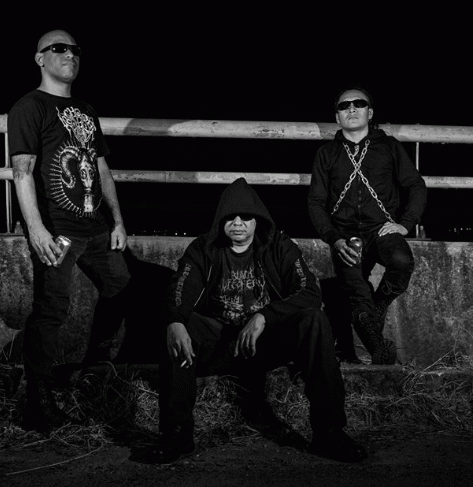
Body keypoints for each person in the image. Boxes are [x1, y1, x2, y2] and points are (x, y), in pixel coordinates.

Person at [151, 177, 367, 464]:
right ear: (220, 220)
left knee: (314, 320)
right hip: (220, 343)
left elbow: (309, 292)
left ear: (258, 220)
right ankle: (176, 434)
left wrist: (264, 316)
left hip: (265, 343)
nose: (238, 223)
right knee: (178, 327)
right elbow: (179, 289)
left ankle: (329, 433)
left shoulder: (278, 246)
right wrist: (175, 321)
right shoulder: (203, 248)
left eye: (246, 217)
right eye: (231, 217)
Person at [7, 30, 130, 432]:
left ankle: (95, 369)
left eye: (75, 49)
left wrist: (117, 220)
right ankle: (38, 403)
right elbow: (22, 172)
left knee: (121, 286)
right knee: (51, 312)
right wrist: (36, 230)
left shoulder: (85, 109)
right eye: (58, 48)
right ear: (40, 58)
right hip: (57, 230)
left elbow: (101, 168)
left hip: (95, 227)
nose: (69, 54)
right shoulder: (29, 107)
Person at [308, 86, 427, 365]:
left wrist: (405, 224)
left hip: (381, 229)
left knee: (401, 261)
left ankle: (380, 304)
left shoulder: (389, 147)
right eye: (344, 106)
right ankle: (380, 353)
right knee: (358, 298)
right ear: (337, 117)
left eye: (358, 104)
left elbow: (416, 185)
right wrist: (334, 238)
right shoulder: (327, 153)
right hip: (345, 235)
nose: (351, 108)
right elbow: (315, 202)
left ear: (369, 113)